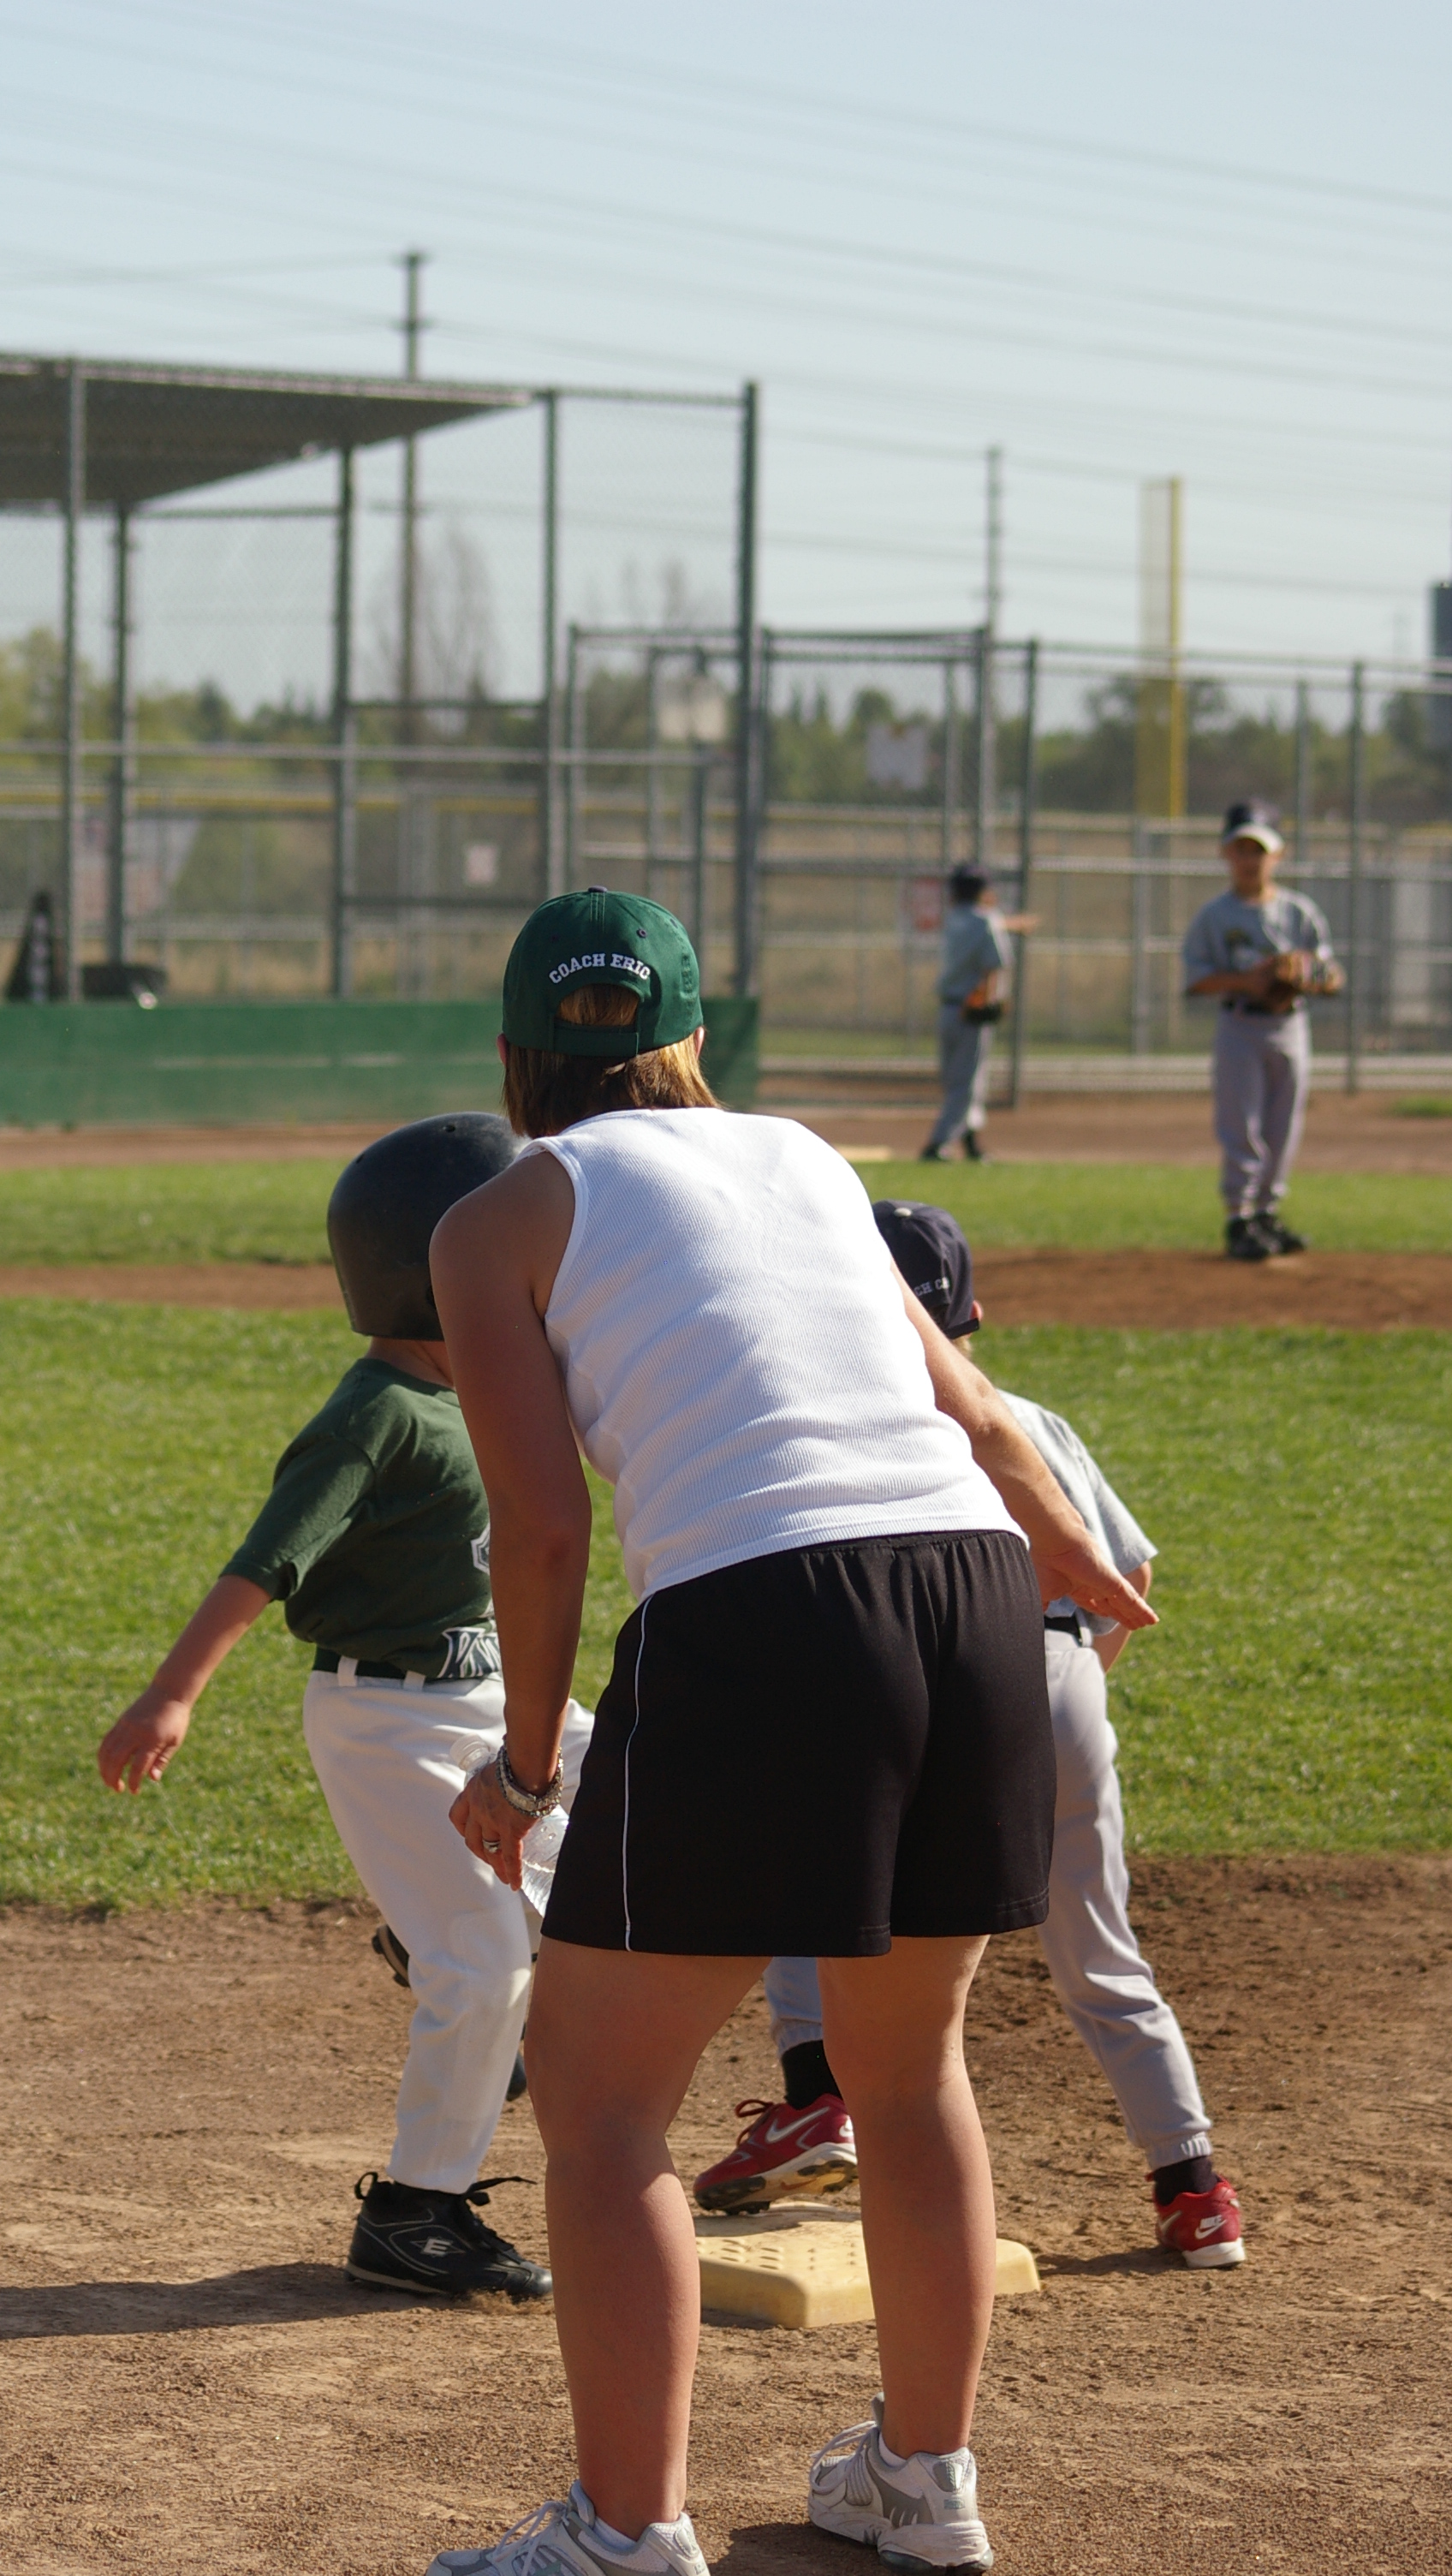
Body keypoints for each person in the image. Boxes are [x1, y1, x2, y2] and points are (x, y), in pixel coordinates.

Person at [425, 889, 1153, 2576]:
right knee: (909, 2072)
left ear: (515, 1053)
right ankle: (922, 2480)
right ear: (692, 1036)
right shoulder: (805, 1157)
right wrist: (1074, 1558)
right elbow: (977, 1412)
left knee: (603, 2100)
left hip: (766, 1612)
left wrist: (525, 1765)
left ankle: (624, 2530)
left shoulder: (496, 1216)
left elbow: (540, 1528)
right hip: (972, 1592)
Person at [96, 1112, 592, 2304]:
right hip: (392, 1721)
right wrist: (171, 1694)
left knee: (645, 1837)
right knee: (484, 1962)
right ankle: (416, 2213)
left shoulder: (486, 1386)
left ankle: (428, 1943)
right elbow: (266, 1560)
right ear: (436, 1269)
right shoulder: (376, 1412)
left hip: (502, 1694)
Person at [694, 1202, 1244, 2277]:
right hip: (1053, 1669)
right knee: (1097, 1946)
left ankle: (817, 2098)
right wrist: (1065, 1697)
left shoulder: (844, 1421)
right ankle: (1193, 2189)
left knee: (811, 1876)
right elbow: (1125, 1573)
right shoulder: (1025, 1416)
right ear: (974, 1313)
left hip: (911, 1674)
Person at [1181, 799, 1342, 1262]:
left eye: (1259, 850)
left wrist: (1311, 975)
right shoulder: (1215, 916)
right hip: (1240, 1024)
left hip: (1290, 1025)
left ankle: (1267, 1213)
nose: (1250, 860)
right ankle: (1239, 1216)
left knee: (1283, 1125)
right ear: (1225, 853)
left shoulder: (1298, 911)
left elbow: (1331, 975)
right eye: (1241, 849)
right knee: (1241, 1123)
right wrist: (1248, 981)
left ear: (1278, 855)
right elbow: (1196, 979)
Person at [921, 866, 1035, 1165]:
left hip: (947, 1006)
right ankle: (939, 1143)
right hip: (970, 1007)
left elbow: (984, 924)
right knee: (968, 1082)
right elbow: (994, 965)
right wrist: (990, 998)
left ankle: (970, 1139)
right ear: (983, 891)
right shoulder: (988, 921)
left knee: (957, 1078)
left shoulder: (953, 919)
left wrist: (1009, 924)